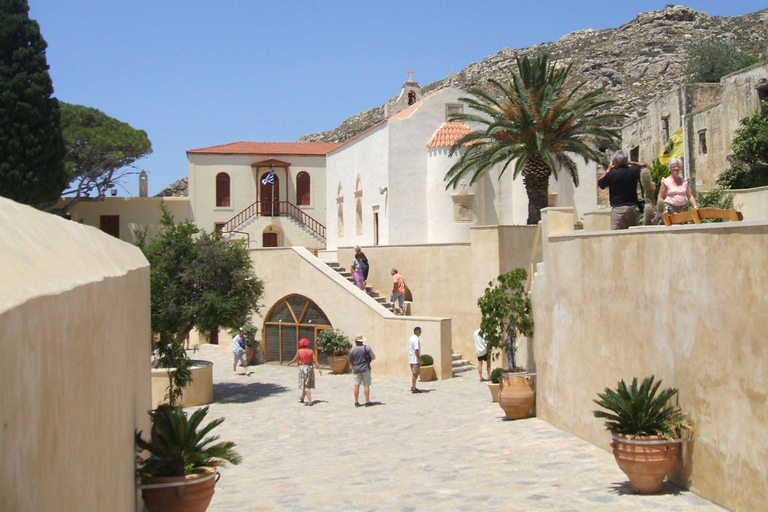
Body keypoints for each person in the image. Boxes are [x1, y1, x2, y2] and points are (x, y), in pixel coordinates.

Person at [597, 150, 647, 230]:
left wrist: (608, 169)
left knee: (617, 236)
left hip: (618, 210)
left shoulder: (611, 174)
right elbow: (644, 166)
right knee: (634, 235)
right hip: (633, 209)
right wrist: (630, 162)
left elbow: (600, 184)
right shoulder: (633, 171)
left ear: (615, 161)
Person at [286, 338, 322, 406]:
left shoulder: (299, 351)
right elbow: (315, 360)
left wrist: (289, 363)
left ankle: (310, 400)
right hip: (310, 368)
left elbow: (295, 359)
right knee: (306, 384)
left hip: (303, 369)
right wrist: (319, 368)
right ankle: (302, 398)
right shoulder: (311, 351)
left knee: (305, 385)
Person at [348, 334, 376, 407]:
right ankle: (367, 401)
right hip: (366, 368)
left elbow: (350, 360)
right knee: (366, 385)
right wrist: (368, 360)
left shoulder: (353, 350)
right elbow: (373, 357)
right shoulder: (367, 348)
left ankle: (356, 402)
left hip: (356, 369)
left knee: (356, 385)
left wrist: (353, 367)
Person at [408, 326, 423, 393]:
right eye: (420, 331)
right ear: (417, 331)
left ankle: (413, 386)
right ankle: (413, 388)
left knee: (415, 374)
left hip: (411, 359)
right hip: (415, 360)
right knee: (415, 374)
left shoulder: (411, 338)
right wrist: (420, 359)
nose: (420, 333)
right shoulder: (416, 339)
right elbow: (416, 350)